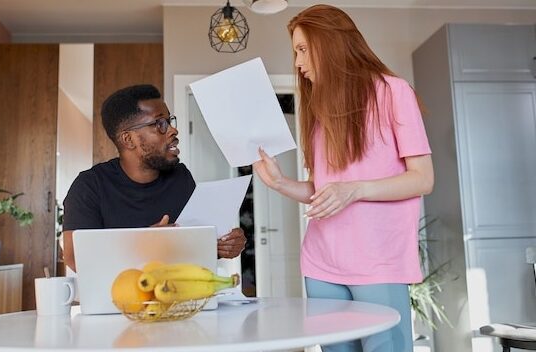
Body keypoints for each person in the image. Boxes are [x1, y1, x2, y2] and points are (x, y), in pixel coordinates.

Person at [253, 5, 433, 352]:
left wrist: (355, 190)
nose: (298, 63)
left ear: (331, 43)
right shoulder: (319, 110)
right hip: (321, 265)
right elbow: (324, 190)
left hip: (379, 263)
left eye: (303, 50)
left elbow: (422, 179)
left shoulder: (394, 92)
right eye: (296, 52)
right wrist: (280, 182)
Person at [62, 84, 246, 273]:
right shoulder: (90, 186)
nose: (173, 131)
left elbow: (193, 243)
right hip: (118, 298)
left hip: (180, 296)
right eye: (159, 124)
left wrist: (223, 245)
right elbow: (75, 257)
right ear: (128, 139)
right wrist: (147, 243)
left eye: (169, 121)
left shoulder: (180, 177)